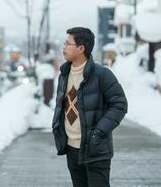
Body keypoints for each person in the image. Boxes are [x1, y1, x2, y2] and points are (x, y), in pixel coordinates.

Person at [52, 27, 128, 187]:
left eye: (68, 43)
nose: (63, 47)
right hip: (71, 148)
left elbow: (120, 104)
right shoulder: (64, 74)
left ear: (81, 48)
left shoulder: (102, 75)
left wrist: (98, 133)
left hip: (95, 149)